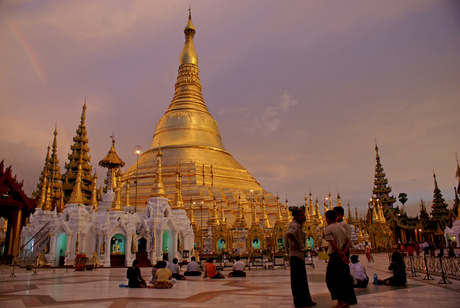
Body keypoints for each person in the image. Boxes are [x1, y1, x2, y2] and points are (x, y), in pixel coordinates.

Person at [324, 210, 357, 308]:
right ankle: (346, 302)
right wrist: (344, 253)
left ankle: (340, 301)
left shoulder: (328, 228)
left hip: (335, 256)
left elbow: (333, 244)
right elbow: (348, 242)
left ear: (328, 218)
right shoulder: (342, 228)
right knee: (343, 279)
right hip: (342, 254)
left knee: (330, 279)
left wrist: (340, 254)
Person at [285, 208, 316, 308]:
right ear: (296, 216)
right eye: (301, 215)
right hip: (296, 255)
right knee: (297, 281)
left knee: (302, 280)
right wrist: (297, 243)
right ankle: (299, 303)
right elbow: (289, 234)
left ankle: (307, 300)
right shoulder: (294, 225)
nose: (303, 216)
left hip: (299, 255)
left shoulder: (298, 225)